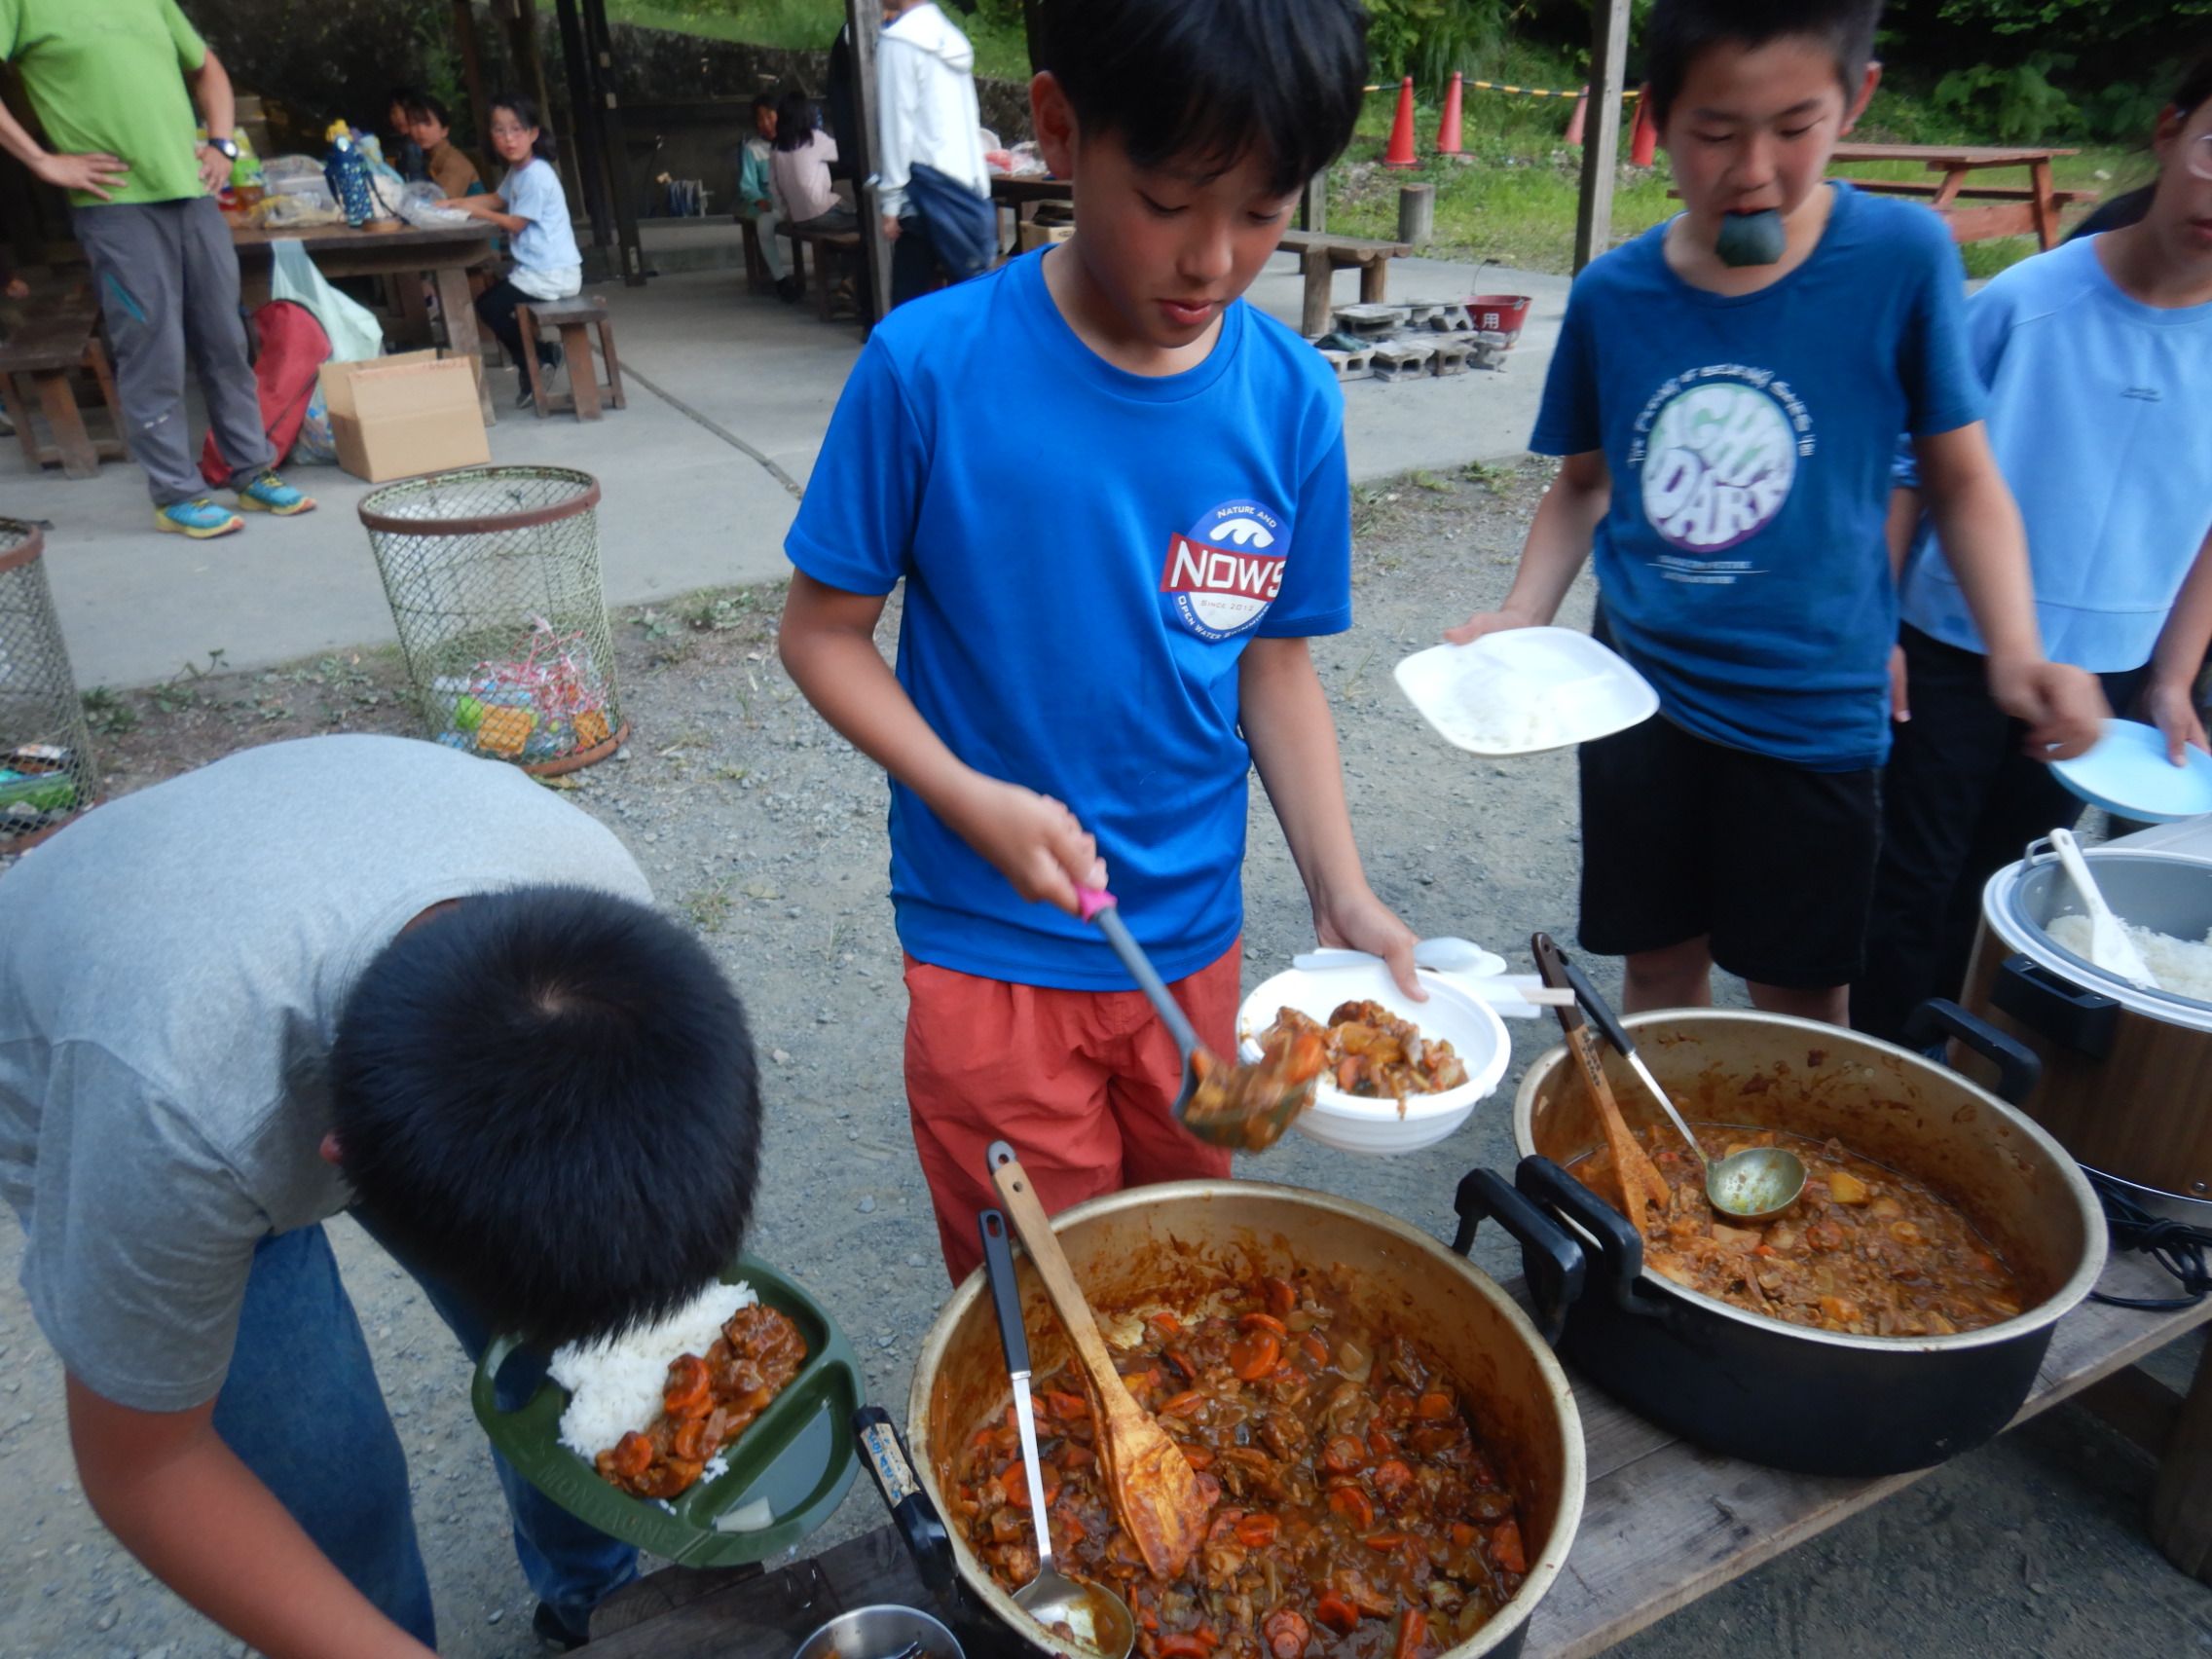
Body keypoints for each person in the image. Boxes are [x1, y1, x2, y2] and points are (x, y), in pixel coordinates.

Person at [778, 0, 1417, 1283]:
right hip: (991, 950)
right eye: (1170, 202)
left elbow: (1272, 663)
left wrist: (1339, 887)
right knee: (1052, 1296)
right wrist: (965, 796)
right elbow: (821, 635)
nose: (1214, 259)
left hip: (1193, 943)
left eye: (1263, 209)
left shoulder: (1291, 399)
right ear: (1061, 129)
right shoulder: (930, 368)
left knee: (1184, 1279)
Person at [0, 735, 764, 1655]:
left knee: (566, 1353)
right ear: (335, 1157)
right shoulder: (166, 1119)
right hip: (119, 1030)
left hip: (286, 914)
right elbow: (150, 1468)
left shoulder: (598, 921)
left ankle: (591, 1609)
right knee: (328, 1486)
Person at [1446, 0, 2105, 1029]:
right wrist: (1522, 615)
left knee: (1797, 997)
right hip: (1636, 697)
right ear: (1656, 115)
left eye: (1795, 128)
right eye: (1713, 133)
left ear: (1857, 98)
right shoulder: (1615, 295)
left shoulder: (1900, 257)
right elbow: (1584, 484)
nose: (1752, 171)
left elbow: (1963, 480)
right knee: (1660, 965)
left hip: (1814, 706)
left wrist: (2016, 651)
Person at [1856, 55, 2212, 1042]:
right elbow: (1910, 464)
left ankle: (1959, 1063)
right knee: (1909, 876)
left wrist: (2172, 678)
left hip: (2108, 670)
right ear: (2170, 131)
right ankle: (1876, 1062)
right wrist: (1874, 624)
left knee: (2015, 876)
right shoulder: (2027, 300)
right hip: (1949, 646)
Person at [0, 0, 315, 537]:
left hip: (193, 193)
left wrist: (221, 144)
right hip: (116, 206)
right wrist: (40, 160)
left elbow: (207, 67)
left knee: (225, 340)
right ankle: (176, 494)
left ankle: (249, 469)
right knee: (153, 348)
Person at [441, 92, 579, 406]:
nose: (508, 138)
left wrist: (473, 212)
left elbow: (516, 224)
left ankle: (537, 358)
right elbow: (496, 199)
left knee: (489, 306)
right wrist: (454, 202)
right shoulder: (520, 171)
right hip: (538, 270)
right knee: (491, 303)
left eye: (516, 129)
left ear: (533, 133)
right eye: (499, 130)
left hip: (552, 273)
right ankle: (539, 356)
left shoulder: (536, 176)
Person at [877, 0, 996, 305]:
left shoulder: (899, 41)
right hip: (966, 190)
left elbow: (896, 123)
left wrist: (890, 200)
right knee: (967, 305)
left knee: (907, 309)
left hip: (924, 189)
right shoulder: (952, 38)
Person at [739, 91, 799, 302]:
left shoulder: (796, 142)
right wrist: (759, 200)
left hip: (799, 204)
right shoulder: (752, 149)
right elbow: (747, 185)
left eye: (769, 116)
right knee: (764, 225)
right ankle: (780, 280)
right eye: (760, 118)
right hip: (772, 207)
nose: (765, 123)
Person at [770, 90, 857, 237]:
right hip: (822, 214)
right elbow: (846, 151)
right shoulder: (813, 138)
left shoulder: (776, 147)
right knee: (865, 218)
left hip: (797, 219)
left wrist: (787, 214)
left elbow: (773, 187)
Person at [404, 92, 482, 202]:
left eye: (427, 123)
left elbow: (440, 202)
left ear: (444, 131)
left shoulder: (454, 163)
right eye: (414, 123)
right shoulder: (425, 157)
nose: (421, 130)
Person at [387, 84, 425, 183]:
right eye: (393, 112)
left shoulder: (418, 147)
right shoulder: (401, 147)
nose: (398, 117)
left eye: (403, 110)